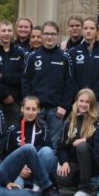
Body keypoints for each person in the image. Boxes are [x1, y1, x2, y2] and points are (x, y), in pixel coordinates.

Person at [3, 96, 67, 196]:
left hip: (37, 170)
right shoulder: (13, 129)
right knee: (16, 192)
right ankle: (33, 192)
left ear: (38, 110)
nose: (30, 112)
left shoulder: (42, 127)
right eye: (27, 109)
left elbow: (49, 152)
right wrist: (19, 170)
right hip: (20, 172)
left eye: (33, 109)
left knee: (47, 151)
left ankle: (38, 187)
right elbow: (8, 154)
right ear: (22, 109)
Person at [21, 21, 72, 151]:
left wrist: (64, 106)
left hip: (56, 110)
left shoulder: (64, 58)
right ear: (42, 35)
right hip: (36, 110)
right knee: (33, 142)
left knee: (54, 145)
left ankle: (51, 171)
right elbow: (25, 81)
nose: (49, 37)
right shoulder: (33, 56)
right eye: (46, 34)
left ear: (57, 36)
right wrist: (29, 103)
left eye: (53, 34)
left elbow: (70, 84)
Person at [57, 88, 99, 196]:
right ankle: (78, 182)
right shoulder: (69, 121)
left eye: (87, 102)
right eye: (81, 101)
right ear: (76, 102)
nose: (84, 104)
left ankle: (85, 188)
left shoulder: (98, 121)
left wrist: (85, 140)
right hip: (75, 162)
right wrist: (65, 162)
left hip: (94, 164)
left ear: (92, 104)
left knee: (82, 147)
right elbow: (61, 147)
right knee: (61, 179)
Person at [67, 17, 99, 113]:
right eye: (86, 28)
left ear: (97, 31)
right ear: (82, 31)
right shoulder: (73, 52)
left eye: (92, 28)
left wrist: (92, 95)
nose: (88, 31)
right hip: (78, 99)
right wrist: (80, 95)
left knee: (98, 127)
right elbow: (71, 77)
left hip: (98, 100)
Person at [0, 20, 26, 124]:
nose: (6, 33)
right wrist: (5, 95)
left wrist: (3, 77)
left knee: (13, 132)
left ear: (13, 33)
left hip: (14, 101)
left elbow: (22, 76)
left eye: (9, 31)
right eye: (3, 31)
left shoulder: (20, 52)